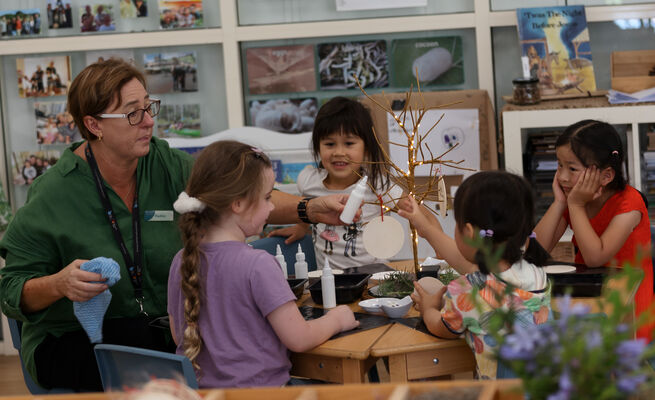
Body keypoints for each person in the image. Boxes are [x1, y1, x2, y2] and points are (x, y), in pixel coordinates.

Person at [0, 59, 356, 392]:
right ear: (94, 125)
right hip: (79, 339)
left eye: (149, 107)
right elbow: (10, 289)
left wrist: (310, 209)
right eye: (133, 113)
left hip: (161, 333)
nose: (149, 121)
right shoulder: (52, 194)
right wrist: (59, 284)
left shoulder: (163, 163)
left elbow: (236, 194)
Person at [168, 141, 359, 387]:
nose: (271, 206)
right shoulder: (258, 264)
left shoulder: (181, 260)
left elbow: (178, 335)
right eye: (267, 197)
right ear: (237, 203)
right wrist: (338, 319)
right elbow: (299, 338)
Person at [398, 171, 552, 379]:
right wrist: (424, 225)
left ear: (468, 232)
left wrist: (428, 308)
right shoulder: (537, 274)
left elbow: (440, 327)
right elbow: (474, 270)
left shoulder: (466, 291)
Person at [534, 119, 654, 341]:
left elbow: (594, 258)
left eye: (572, 168)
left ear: (606, 176)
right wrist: (559, 203)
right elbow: (533, 252)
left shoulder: (629, 204)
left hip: (629, 310)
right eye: (559, 165)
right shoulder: (573, 199)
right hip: (587, 299)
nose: (562, 176)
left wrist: (576, 205)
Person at [269, 97, 402, 269]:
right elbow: (307, 208)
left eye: (349, 143)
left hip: (373, 279)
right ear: (318, 147)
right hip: (330, 281)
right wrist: (301, 228)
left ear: (366, 147)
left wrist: (435, 239)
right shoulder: (309, 180)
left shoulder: (378, 185)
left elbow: (415, 210)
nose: (339, 152)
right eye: (330, 144)